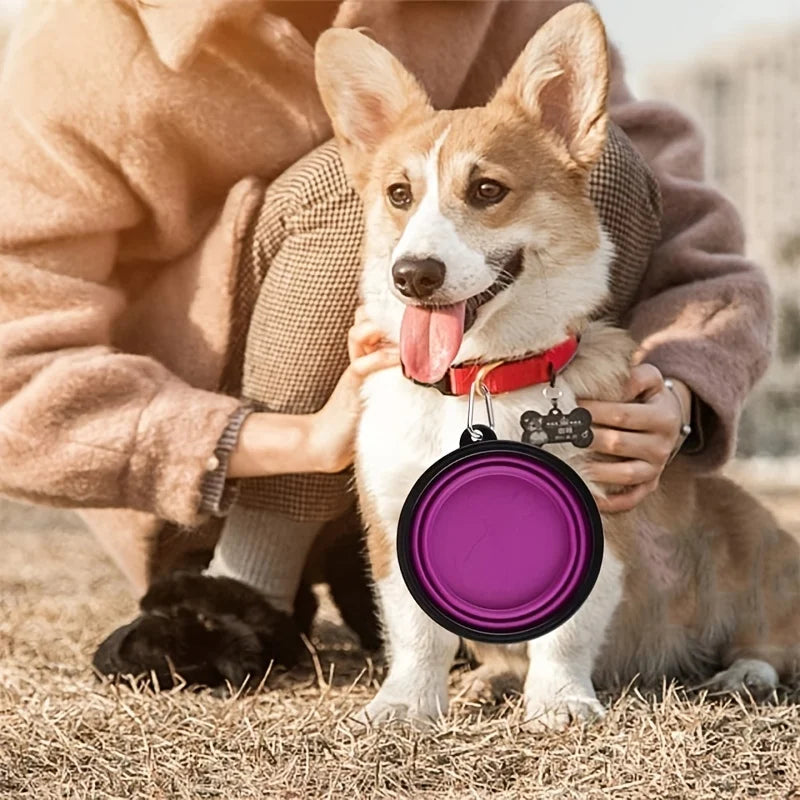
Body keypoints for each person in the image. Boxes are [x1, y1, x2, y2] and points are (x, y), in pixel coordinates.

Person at [0, 0, 772, 682]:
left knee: (599, 172)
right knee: (352, 200)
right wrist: (284, 438)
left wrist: (674, 385)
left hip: (483, 425)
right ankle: (249, 580)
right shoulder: (75, 45)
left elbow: (696, 246)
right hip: (220, 465)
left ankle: (483, 552)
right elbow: (15, 370)